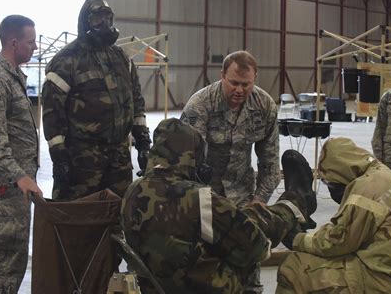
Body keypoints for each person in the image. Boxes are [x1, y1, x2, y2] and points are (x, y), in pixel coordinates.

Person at [121, 118, 317, 294]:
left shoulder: (132, 191)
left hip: (158, 285)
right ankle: (295, 204)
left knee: (235, 217)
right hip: (207, 287)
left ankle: (292, 213)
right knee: (252, 223)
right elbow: (257, 249)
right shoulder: (199, 198)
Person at [181, 50, 280, 292]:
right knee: (206, 267)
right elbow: (184, 164)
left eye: (246, 84)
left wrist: (259, 201)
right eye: (233, 83)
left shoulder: (264, 105)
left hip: (244, 197)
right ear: (222, 75)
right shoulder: (200, 105)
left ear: (255, 78)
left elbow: (270, 164)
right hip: (205, 197)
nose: (239, 90)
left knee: (249, 259)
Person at [276, 137, 391, 293]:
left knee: (293, 267)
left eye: (330, 182)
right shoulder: (381, 174)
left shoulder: (364, 192)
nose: (331, 188)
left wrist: (298, 239)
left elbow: (337, 242)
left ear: (342, 171)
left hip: (384, 279)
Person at [42, 0, 151, 200]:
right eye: (98, 18)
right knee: (81, 218)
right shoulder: (66, 60)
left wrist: (143, 143)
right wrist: (59, 158)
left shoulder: (122, 58)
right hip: (82, 161)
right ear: (85, 22)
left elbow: (136, 102)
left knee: (118, 214)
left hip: (119, 156)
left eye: (108, 17)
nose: (105, 24)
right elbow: (52, 114)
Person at [0, 15, 43, 293]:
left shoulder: (12, 77)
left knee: (13, 262)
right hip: (4, 188)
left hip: (15, 189)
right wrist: (20, 177)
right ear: (14, 43)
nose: (35, 47)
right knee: (3, 265)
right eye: (30, 42)